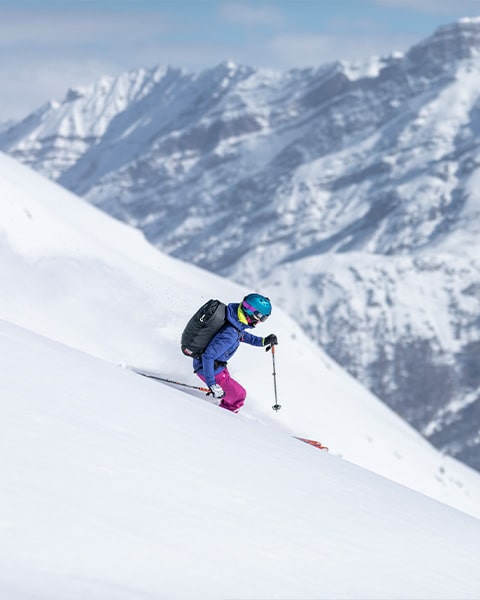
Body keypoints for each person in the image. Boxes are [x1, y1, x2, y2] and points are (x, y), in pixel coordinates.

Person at [193, 293, 278, 413]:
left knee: (233, 391)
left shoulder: (234, 319)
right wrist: (212, 385)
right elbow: (208, 356)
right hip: (209, 369)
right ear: (252, 314)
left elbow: (243, 335)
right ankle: (222, 418)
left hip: (216, 367)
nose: (261, 322)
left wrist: (264, 341)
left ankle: (223, 401)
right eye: (262, 318)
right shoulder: (230, 334)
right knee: (239, 396)